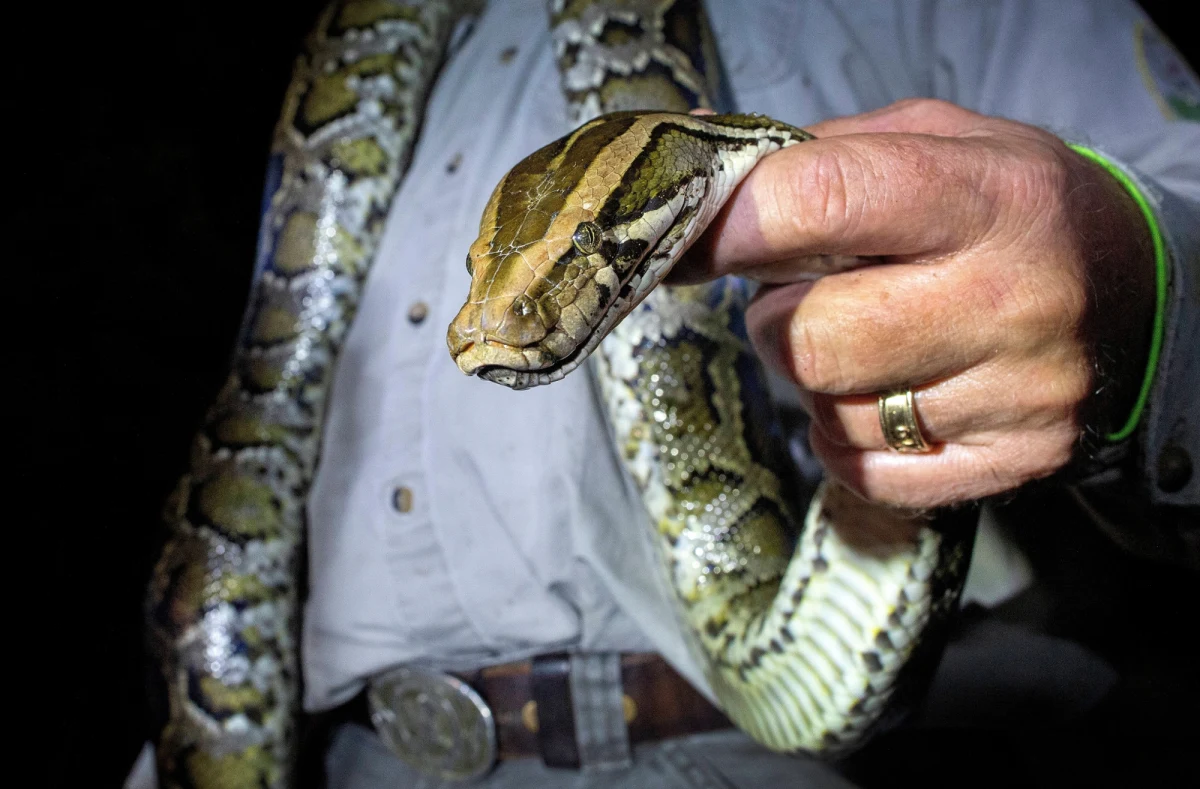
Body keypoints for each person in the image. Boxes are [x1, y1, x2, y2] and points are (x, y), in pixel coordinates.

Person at [127, 1, 1198, 787]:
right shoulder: (370, 43)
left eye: (586, 252)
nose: (493, 328)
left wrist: (1132, 293)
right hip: (342, 756)